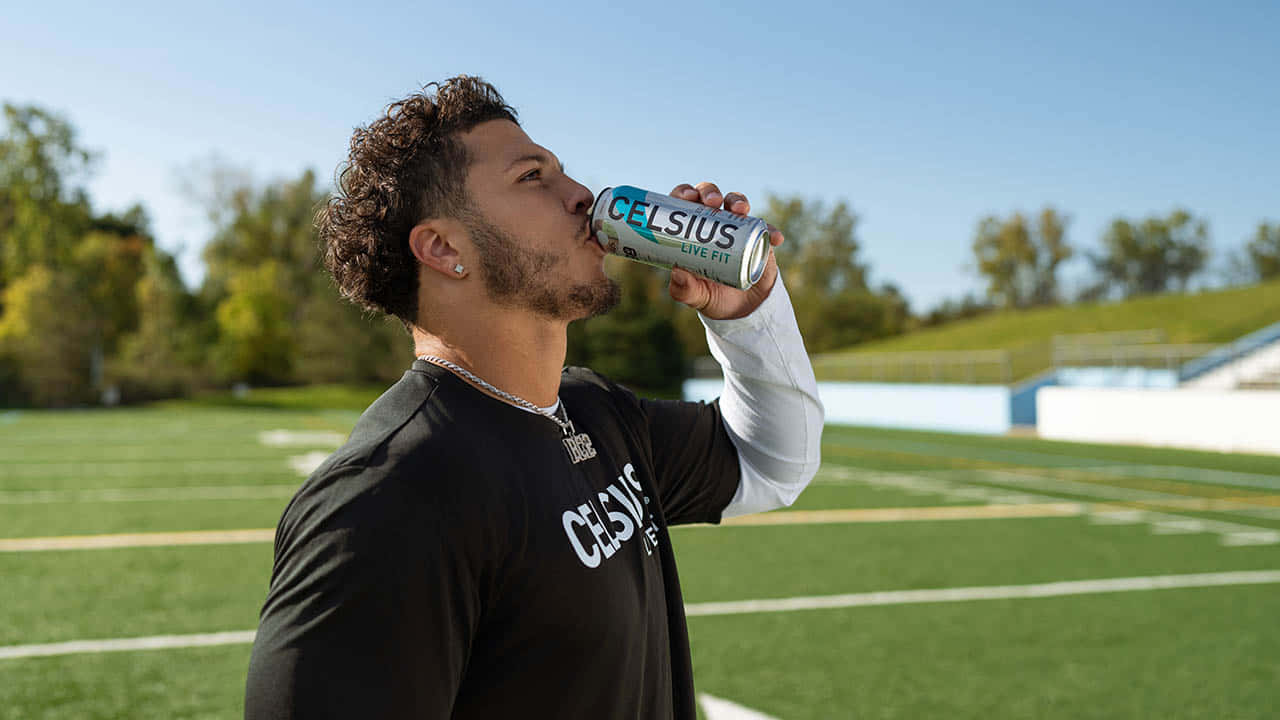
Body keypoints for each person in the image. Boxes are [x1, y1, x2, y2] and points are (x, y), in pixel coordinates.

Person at [244, 76, 823, 719]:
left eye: (564, 174)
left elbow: (772, 462)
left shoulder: (599, 413)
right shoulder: (385, 497)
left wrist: (748, 314)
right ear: (443, 248)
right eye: (532, 178)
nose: (580, 196)